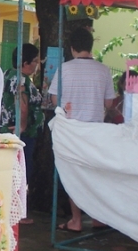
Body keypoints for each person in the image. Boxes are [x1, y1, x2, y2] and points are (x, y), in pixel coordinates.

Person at [49, 27, 115, 233]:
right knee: (95, 175)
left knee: (73, 175)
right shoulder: (103, 70)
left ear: (72, 48)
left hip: (71, 132)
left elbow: (53, 99)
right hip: (95, 131)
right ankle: (97, 218)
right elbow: (110, 103)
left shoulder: (64, 69)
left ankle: (76, 220)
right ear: (90, 46)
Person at [1, 43, 42, 224]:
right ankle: (16, 212)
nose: (36, 65)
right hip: (20, 134)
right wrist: (23, 125)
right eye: (34, 61)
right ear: (25, 62)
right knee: (21, 170)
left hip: (5, 129)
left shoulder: (7, 75)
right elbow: (23, 104)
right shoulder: (22, 80)